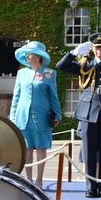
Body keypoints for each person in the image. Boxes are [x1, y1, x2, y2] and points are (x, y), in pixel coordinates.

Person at [56, 33, 101, 198]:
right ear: (93, 48)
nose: (99, 51)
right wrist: (74, 53)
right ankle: (91, 187)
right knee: (89, 153)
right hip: (88, 113)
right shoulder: (86, 64)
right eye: (96, 48)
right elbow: (61, 66)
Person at [10, 41, 62, 188]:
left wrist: (57, 114)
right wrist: (12, 116)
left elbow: (54, 96)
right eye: (26, 54)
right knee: (26, 148)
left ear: (38, 56)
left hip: (42, 115)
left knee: (41, 148)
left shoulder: (50, 73)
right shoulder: (21, 73)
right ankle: (29, 180)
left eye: (29, 54)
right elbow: (16, 96)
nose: (27, 56)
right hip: (22, 116)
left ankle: (39, 180)